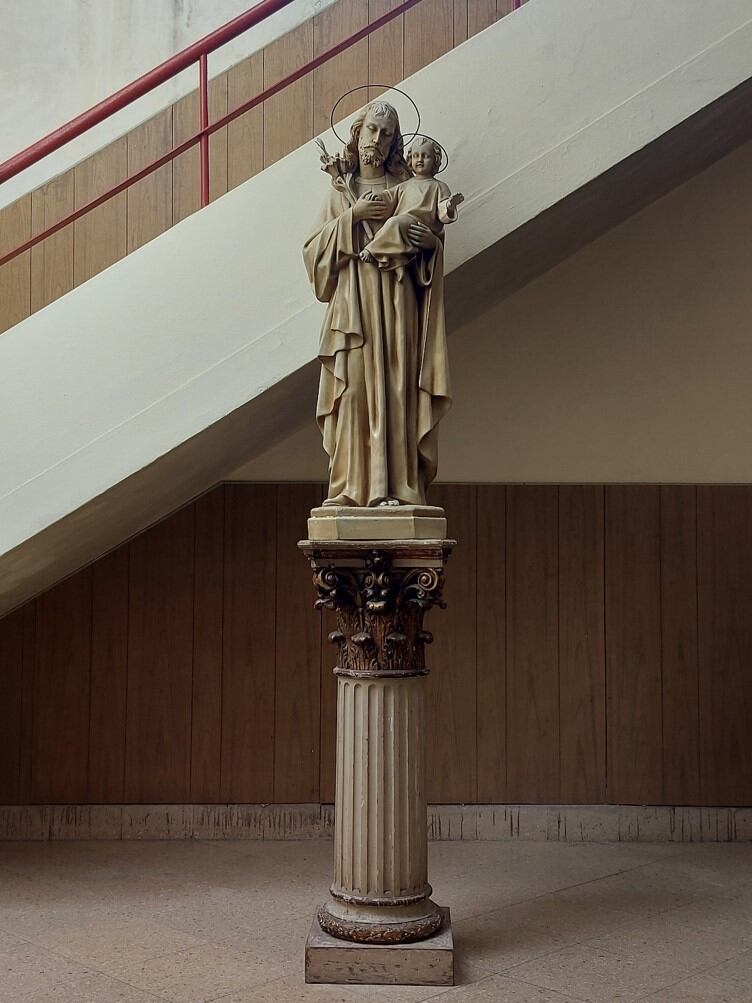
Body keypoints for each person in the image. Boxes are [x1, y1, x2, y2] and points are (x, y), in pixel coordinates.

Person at [303, 101, 452, 508]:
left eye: (386, 133)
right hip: (353, 307)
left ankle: (398, 488)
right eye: (371, 129)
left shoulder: (406, 190)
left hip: (397, 302)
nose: (377, 139)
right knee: (353, 392)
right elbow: (314, 257)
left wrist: (431, 246)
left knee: (396, 389)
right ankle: (350, 489)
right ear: (357, 132)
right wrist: (353, 216)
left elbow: (428, 241)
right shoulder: (340, 191)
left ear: (395, 142)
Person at [359, 136, 464, 271]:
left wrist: (449, 206)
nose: (419, 160)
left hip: (419, 226)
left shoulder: (439, 186)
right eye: (416, 156)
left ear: (435, 160)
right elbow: (390, 197)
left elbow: (442, 213)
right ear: (410, 160)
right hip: (404, 223)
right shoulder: (406, 185)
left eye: (425, 156)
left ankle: (372, 250)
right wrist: (377, 197)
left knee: (394, 223)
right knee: (393, 224)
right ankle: (383, 254)